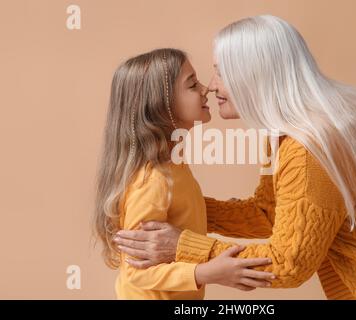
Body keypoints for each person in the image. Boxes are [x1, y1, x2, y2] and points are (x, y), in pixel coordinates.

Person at [114, 16, 356, 299]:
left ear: (255, 75)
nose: (212, 86)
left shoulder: (307, 149)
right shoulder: (309, 124)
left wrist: (186, 247)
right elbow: (271, 212)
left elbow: (288, 263)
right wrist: (186, 208)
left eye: (220, 71)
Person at [94, 48, 275, 300]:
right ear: (161, 106)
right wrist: (205, 272)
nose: (206, 89)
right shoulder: (154, 180)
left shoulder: (174, 166)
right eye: (192, 85)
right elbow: (137, 273)